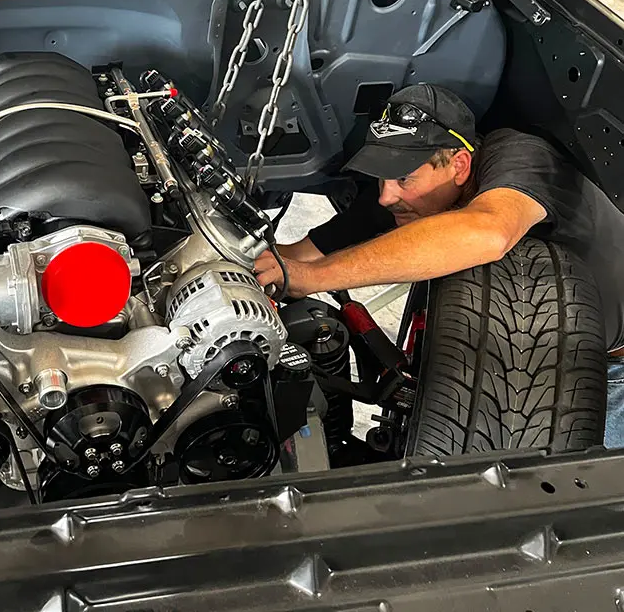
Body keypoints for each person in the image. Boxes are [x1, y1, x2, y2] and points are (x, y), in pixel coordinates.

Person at [252, 83, 624, 446]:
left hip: (606, 368)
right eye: (380, 177)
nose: (385, 196)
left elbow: (488, 232)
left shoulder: (521, 158)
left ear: (459, 165)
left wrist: (315, 278)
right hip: (527, 347)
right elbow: (297, 255)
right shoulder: (414, 195)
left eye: (402, 177)